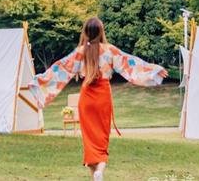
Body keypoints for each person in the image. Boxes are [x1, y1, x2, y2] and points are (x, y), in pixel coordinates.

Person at [28, 16, 168, 180]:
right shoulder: (109, 50)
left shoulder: (80, 52)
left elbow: (60, 68)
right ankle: (100, 171)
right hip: (102, 98)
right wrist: (153, 70)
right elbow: (131, 64)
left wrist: (38, 81)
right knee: (101, 141)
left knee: (90, 142)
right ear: (101, 31)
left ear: (85, 32)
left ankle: (96, 174)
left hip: (86, 99)